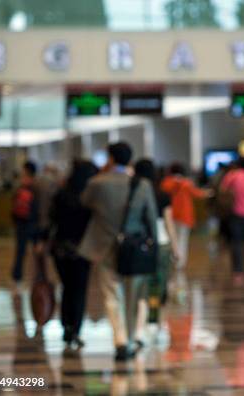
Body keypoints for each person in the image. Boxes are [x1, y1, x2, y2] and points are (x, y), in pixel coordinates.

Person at [78, 142, 158, 361]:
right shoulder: (142, 185)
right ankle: (132, 339)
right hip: (135, 247)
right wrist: (154, 248)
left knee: (112, 295)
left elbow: (84, 203)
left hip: (104, 246)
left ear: (110, 158)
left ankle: (120, 340)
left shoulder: (97, 183)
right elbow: (151, 217)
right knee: (134, 295)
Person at [49, 160, 98, 348]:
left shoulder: (61, 195)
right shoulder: (89, 199)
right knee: (79, 290)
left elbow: (52, 220)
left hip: (61, 249)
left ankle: (66, 326)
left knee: (67, 287)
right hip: (82, 250)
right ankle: (75, 329)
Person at [134, 159, 179, 329]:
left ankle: (142, 313)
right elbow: (169, 223)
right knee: (158, 281)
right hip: (162, 242)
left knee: (142, 281)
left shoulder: (134, 194)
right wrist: (175, 247)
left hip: (141, 243)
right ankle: (154, 315)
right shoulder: (162, 194)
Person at [160, 162, 208, 270]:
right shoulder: (187, 183)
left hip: (169, 215)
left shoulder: (165, 183)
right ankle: (180, 263)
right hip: (185, 216)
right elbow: (198, 194)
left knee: (171, 239)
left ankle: (171, 260)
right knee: (182, 240)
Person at [11, 161, 40, 283]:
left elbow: (15, 204)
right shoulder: (37, 185)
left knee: (20, 251)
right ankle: (39, 277)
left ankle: (17, 277)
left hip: (22, 223)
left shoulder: (22, 185)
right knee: (37, 253)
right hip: (34, 223)